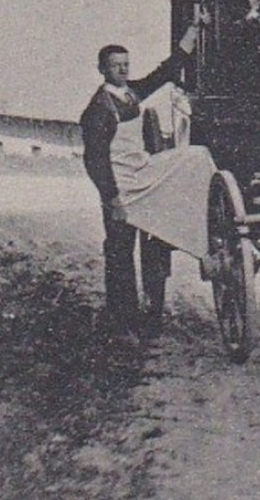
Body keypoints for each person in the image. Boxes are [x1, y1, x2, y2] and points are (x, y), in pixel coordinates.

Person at [80, 18, 214, 337]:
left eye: (126, 65)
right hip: (120, 186)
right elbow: (95, 160)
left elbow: (164, 74)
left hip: (142, 173)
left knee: (195, 157)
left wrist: (191, 36)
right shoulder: (97, 109)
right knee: (119, 250)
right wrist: (112, 199)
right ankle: (121, 317)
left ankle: (152, 310)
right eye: (116, 66)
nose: (123, 70)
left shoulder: (131, 94)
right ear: (103, 69)